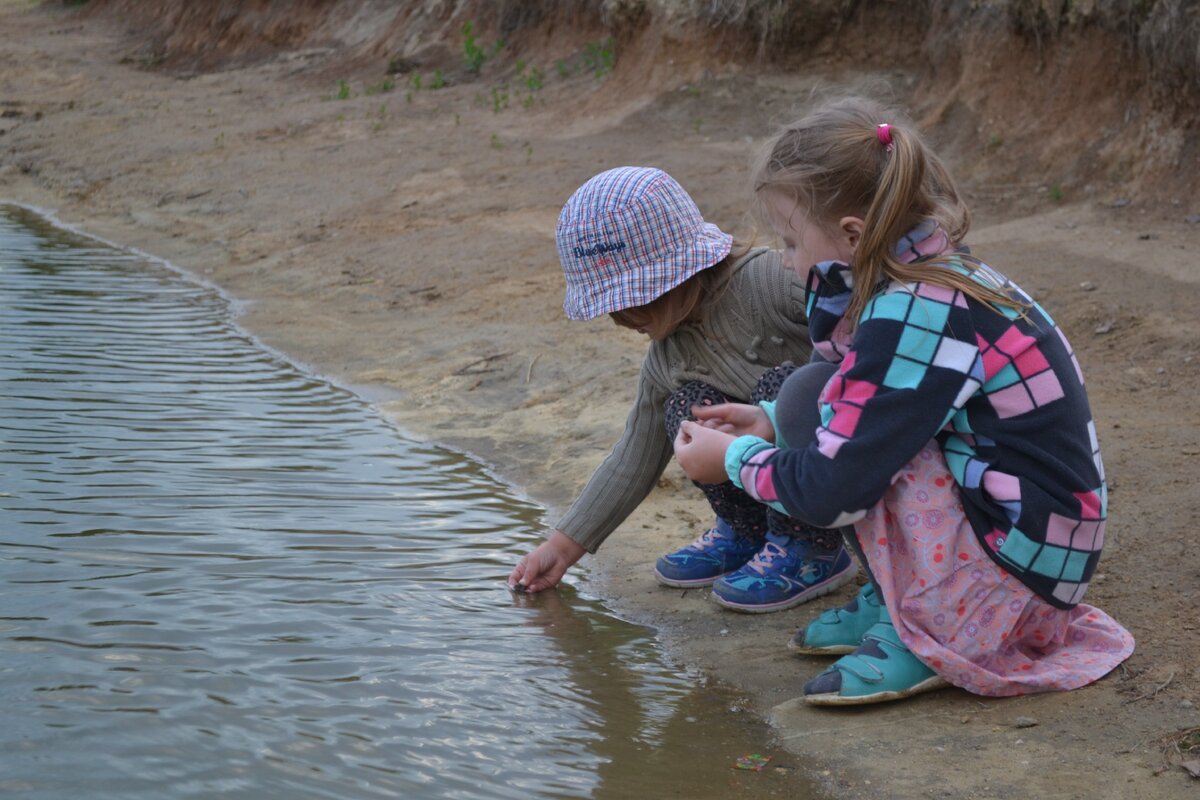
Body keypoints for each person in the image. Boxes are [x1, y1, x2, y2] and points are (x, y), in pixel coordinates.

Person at [673, 96, 1134, 704]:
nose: (787, 261)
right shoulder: (936, 273)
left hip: (1017, 583)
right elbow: (839, 409)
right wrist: (767, 424)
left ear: (852, 234)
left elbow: (834, 490)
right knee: (810, 394)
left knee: (855, 434)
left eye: (790, 240)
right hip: (1036, 546)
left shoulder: (913, 313)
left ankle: (930, 631)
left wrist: (733, 460)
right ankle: (902, 600)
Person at [508, 166, 856, 612]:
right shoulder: (667, 357)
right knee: (686, 409)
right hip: (767, 469)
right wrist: (559, 549)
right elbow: (634, 455)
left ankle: (811, 546)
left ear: (673, 275)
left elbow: (875, 325)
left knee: (787, 389)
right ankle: (747, 531)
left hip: (840, 456)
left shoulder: (770, 284)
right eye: (611, 305)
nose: (619, 319)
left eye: (628, 302)